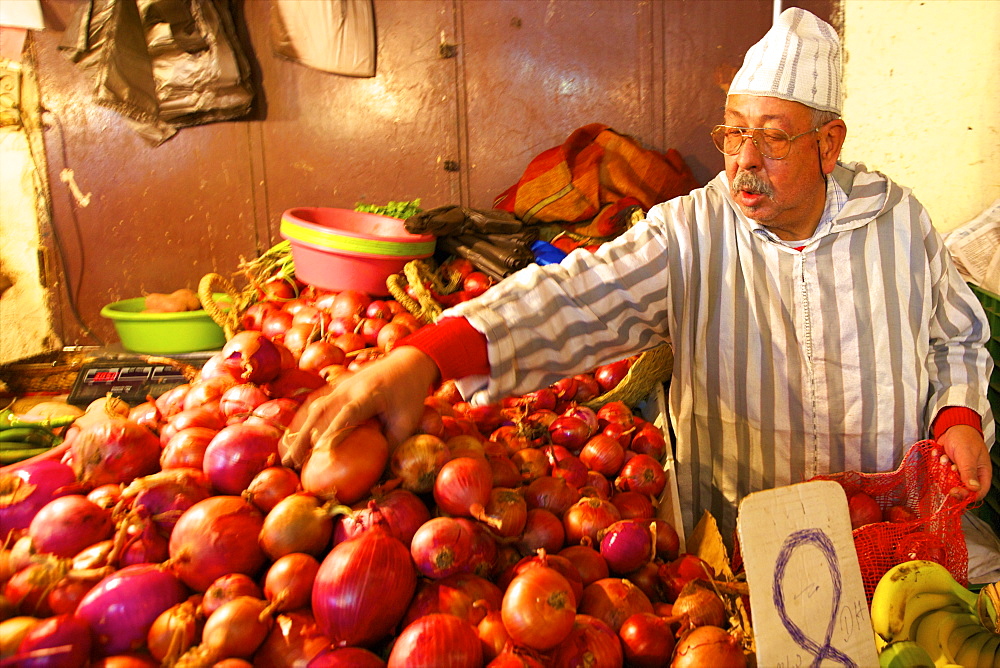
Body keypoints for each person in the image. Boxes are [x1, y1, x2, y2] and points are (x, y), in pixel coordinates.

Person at [284, 8, 995, 546]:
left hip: (889, 533)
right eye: (732, 130)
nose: (743, 159)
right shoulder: (691, 231)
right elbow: (575, 298)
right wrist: (425, 356)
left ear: (829, 144)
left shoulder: (898, 222)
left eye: (773, 136)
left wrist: (959, 417)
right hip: (741, 538)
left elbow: (954, 340)